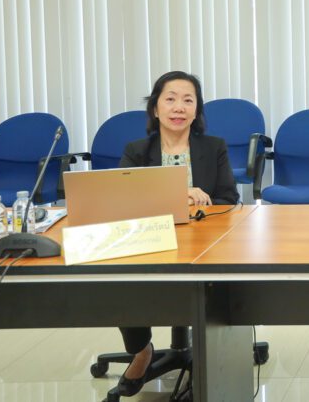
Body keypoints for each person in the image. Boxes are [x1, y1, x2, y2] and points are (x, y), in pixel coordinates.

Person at [111, 70, 239, 398]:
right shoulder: (137, 151)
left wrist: (203, 202)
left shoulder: (214, 147)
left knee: (217, 284)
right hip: (150, 240)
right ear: (155, 108)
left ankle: (214, 357)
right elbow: (122, 202)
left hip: (204, 239)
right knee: (121, 275)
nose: (179, 107)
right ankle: (141, 351)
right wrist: (176, 196)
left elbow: (228, 198)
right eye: (170, 99)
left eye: (187, 100)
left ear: (196, 111)